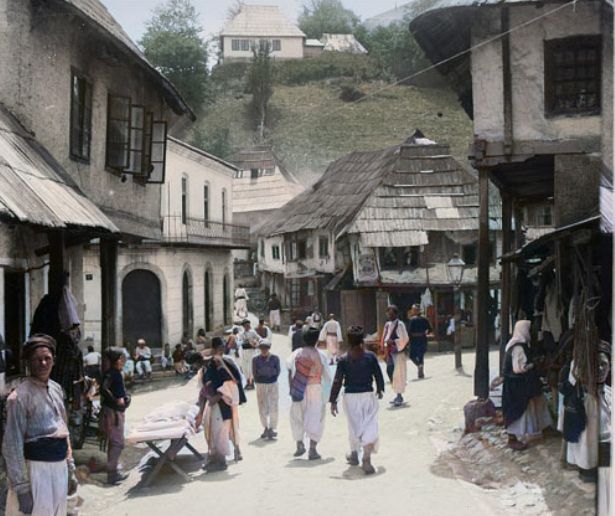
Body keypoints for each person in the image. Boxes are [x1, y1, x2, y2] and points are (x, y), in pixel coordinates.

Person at [3, 334, 78, 516]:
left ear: (54, 360)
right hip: (35, 470)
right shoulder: (19, 397)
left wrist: (70, 467)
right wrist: (22, 488)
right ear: (28, 362)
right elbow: (12, 444)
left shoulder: (57, 389)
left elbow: (63, 428)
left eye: (47, 358)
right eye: (37, 359)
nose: (43, 363)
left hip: (59, 467)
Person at [330, 326, 385, 475]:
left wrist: (333, 400)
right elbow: (378, 374)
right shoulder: (370, 357)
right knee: (370, 425)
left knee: (354, 426)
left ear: (348, 341)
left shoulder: (343, 359)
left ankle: (354, 454)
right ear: (362, 340)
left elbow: (337, 380)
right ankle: (366, 458)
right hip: (367, 395)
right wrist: (380, 389)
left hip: (350, 398)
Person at [196, 337, 246, 472]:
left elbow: (234, 382)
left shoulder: (228, 363)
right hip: (213, 405)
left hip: (226, 403)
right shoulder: (207, 367)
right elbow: (204, 389)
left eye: (223, 349)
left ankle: (225, 458)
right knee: (213, 431)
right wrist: (201, 411)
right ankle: (215, 458)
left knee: (227, 430)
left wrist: (218, 396)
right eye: (219, 349)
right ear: (213, 350)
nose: (221, 352)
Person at [502, 320, 552, 450]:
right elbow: (518, 369)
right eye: (529, 330)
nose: (531, 332)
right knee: (518, 410)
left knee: (538, 402)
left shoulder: (519, 345)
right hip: (517, 384)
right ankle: (512, 438)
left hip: (521, 382)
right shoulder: (518, 347)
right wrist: (533, 365)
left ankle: (544, 427)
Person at [287, 327, 332, 460]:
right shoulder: (322, 355)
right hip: (316, 389)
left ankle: (299, 443)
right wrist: (327, 395)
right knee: (316, 417)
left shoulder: (296, 354)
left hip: (299, 387)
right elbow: (327, 377)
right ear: (317, 340)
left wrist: (292, 388)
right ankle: (312, 449)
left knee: (297, 416)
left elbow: (289, 369)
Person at [100, 348, 130, 485]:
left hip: (112, 412)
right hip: (113, 413)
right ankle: (112, 474)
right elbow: (104, 388)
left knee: (114, 443)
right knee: (117, 443)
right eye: (121, 359)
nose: (123, 361)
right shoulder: (113, 374)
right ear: (115, 360)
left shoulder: (113, 373)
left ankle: (113, 471)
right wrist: (115, 401)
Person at [381, 305, 409, 407]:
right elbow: (385, 337)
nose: (390, 316)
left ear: (396, 314)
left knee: (398, 374)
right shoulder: (388, 324)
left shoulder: (400, 324)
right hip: (390, 352)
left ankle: (399, 396)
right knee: (390, 370)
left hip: (398, 352)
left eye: (391, 314)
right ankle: (397, 392)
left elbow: (405, 338)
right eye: (388, 314)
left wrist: (394, 342)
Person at [252, 340, 281, 440]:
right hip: (261, 384)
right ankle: (265, 427)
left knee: (274, 405)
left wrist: (271, 378)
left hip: (272, 384)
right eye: (262, 348)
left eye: (266, 348)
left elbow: (278, 371)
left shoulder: (275, 358)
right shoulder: (255, 359)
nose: (264, 350)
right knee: (262, 406)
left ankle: (272, 428)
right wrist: (259, 381)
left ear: (269, 348)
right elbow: (254, 372)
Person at [406, 304, 432, 379]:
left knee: (412, 356)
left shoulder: (412, 320)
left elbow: (409, 331)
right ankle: (421, 372)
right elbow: (430, 329)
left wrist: (407, 340)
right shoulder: (425, 319)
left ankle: (419, 367)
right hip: (422, 339)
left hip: (414, 340)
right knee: (421, 356)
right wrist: (425, 333)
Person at [239, 319, 260, 389]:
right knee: (245, 368)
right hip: (244, 352)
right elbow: (240, 343)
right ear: (243, 326)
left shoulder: (253, 332)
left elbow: (259, 339)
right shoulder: (241, 334)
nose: (248, 326)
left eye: (248, 325)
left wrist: (255, 344)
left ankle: (252, 383)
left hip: (252, 352)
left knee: (251, 367)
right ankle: (248, 382)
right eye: (246, 325)